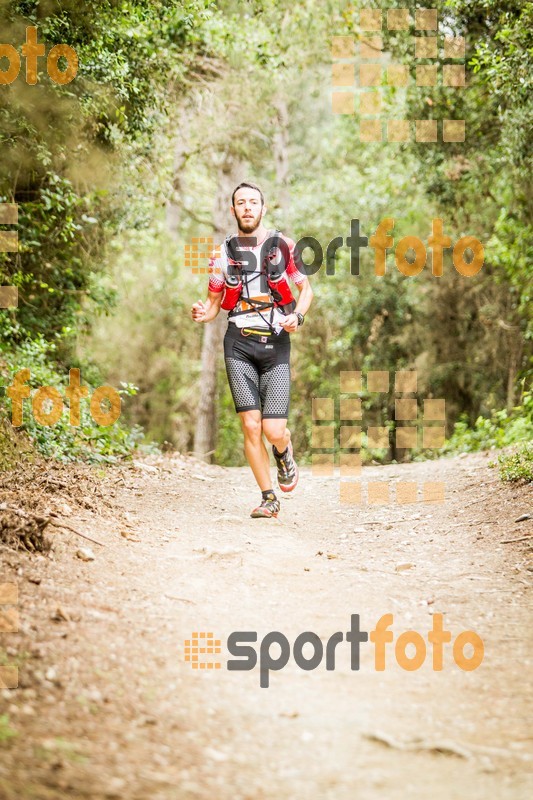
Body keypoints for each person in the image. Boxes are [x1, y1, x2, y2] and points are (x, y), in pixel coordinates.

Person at [191, 182, 313, 518]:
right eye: (241, 203)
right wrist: (204, 314)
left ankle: (284, 452)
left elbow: (306, 290)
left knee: (274, 431)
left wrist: (297, 317)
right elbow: (215, 303)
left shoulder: (284, 246)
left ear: (263, 208)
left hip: (275, 343)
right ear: (233, 210)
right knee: (251, 425)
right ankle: (268, 497)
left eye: (253, 202)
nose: (247, 207)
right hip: (239, 343)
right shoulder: (221, 254)